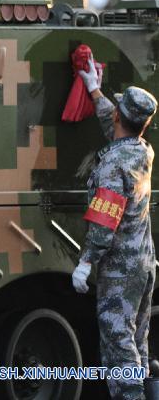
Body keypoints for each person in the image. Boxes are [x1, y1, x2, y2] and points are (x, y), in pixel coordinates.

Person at [73, 59, 156, 400]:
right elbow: (116, 126)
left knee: (120, 352)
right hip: (143, 265)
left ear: (121, 118)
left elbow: (104, 221)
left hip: (119, 272)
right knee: (137, 347)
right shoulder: (141, 151)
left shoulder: (111, 166)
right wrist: (94, 90)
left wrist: (85, 262)